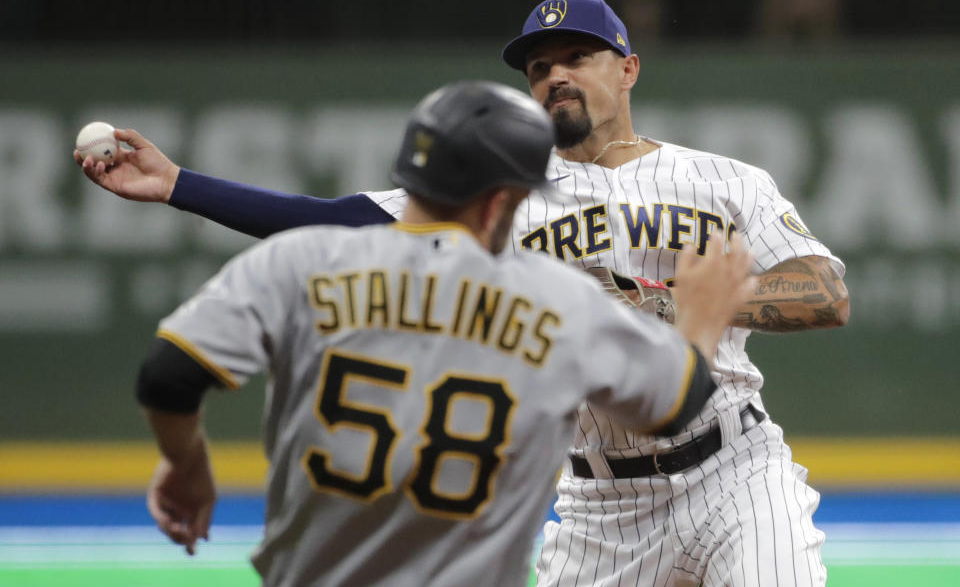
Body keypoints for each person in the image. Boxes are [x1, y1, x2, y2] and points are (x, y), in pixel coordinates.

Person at [78, 0, 850, 586]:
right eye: (540, 67)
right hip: (596, 500)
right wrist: (181, 185)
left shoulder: (721, 178)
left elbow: (825, 290)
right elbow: (330, 222)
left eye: (577, 56)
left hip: (734, 469)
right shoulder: (498, 192)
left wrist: (698, 306)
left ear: (628, 67)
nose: (556, 76)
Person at [134, 80, 755, 587]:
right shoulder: (555, 300)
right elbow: (677, 403)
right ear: (499, 204)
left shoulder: (297, 263)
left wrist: (186, 466)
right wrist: (698, 322)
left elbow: (168, 376)